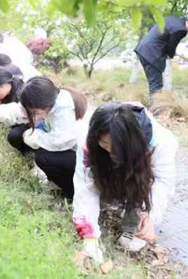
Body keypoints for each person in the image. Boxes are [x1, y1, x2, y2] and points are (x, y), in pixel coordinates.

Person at [72, 102, 178, 263]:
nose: (108, 150)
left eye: (115, 147)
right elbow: (85, 185)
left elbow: (163, 182)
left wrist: (150, 216)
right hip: (121, 160)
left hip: (140, 165)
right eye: (103, 143)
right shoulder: (88, 137)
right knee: (107, 176)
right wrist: (89, 234)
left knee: (137, 181)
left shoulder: (161, 143)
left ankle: (133, 219)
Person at [0, 76, 88, 198]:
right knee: (17, 136)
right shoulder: (45, 101)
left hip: (83, 158)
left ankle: (75, 193)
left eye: (35, 112)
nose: (33, 115)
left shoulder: (64, 110)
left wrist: (30, 136)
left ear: (45, 105)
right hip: (66, 151)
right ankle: (55, 179)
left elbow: (59, 142)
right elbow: (17, 110)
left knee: (44, 158)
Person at [134, 13, 188, 97]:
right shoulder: (181, 29)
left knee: (153, 82)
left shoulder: (171, 19)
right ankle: (156, 107)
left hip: (143, 49)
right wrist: (171, 54)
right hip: (152, 53)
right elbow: (171, 45)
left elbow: (156, 30)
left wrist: (170, 52)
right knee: (156, 85)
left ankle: (154, 105)